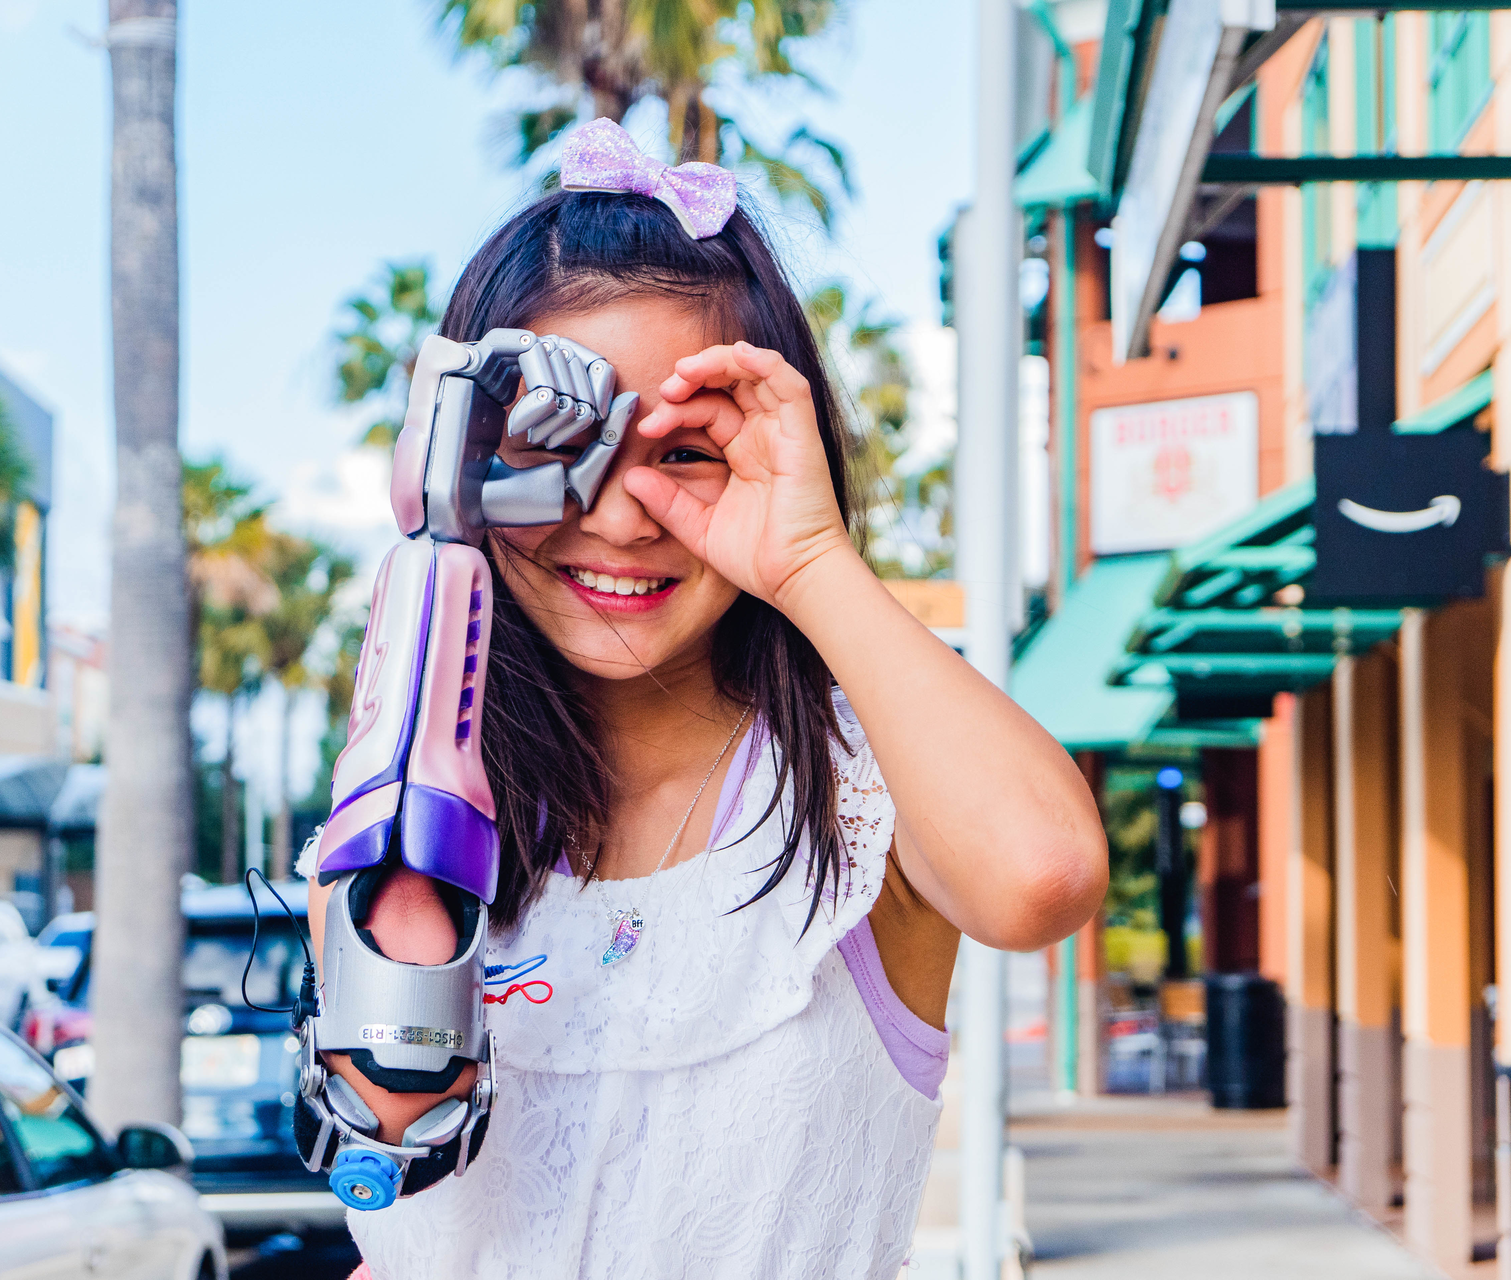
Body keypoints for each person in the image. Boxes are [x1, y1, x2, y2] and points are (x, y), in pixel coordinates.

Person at [303, 119, 1107, 1279]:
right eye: (555, 441)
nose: (626, 513)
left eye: (689, 450)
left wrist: (814, 558)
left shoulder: (853, 797)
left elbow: (1044, 872)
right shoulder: (410, 813)